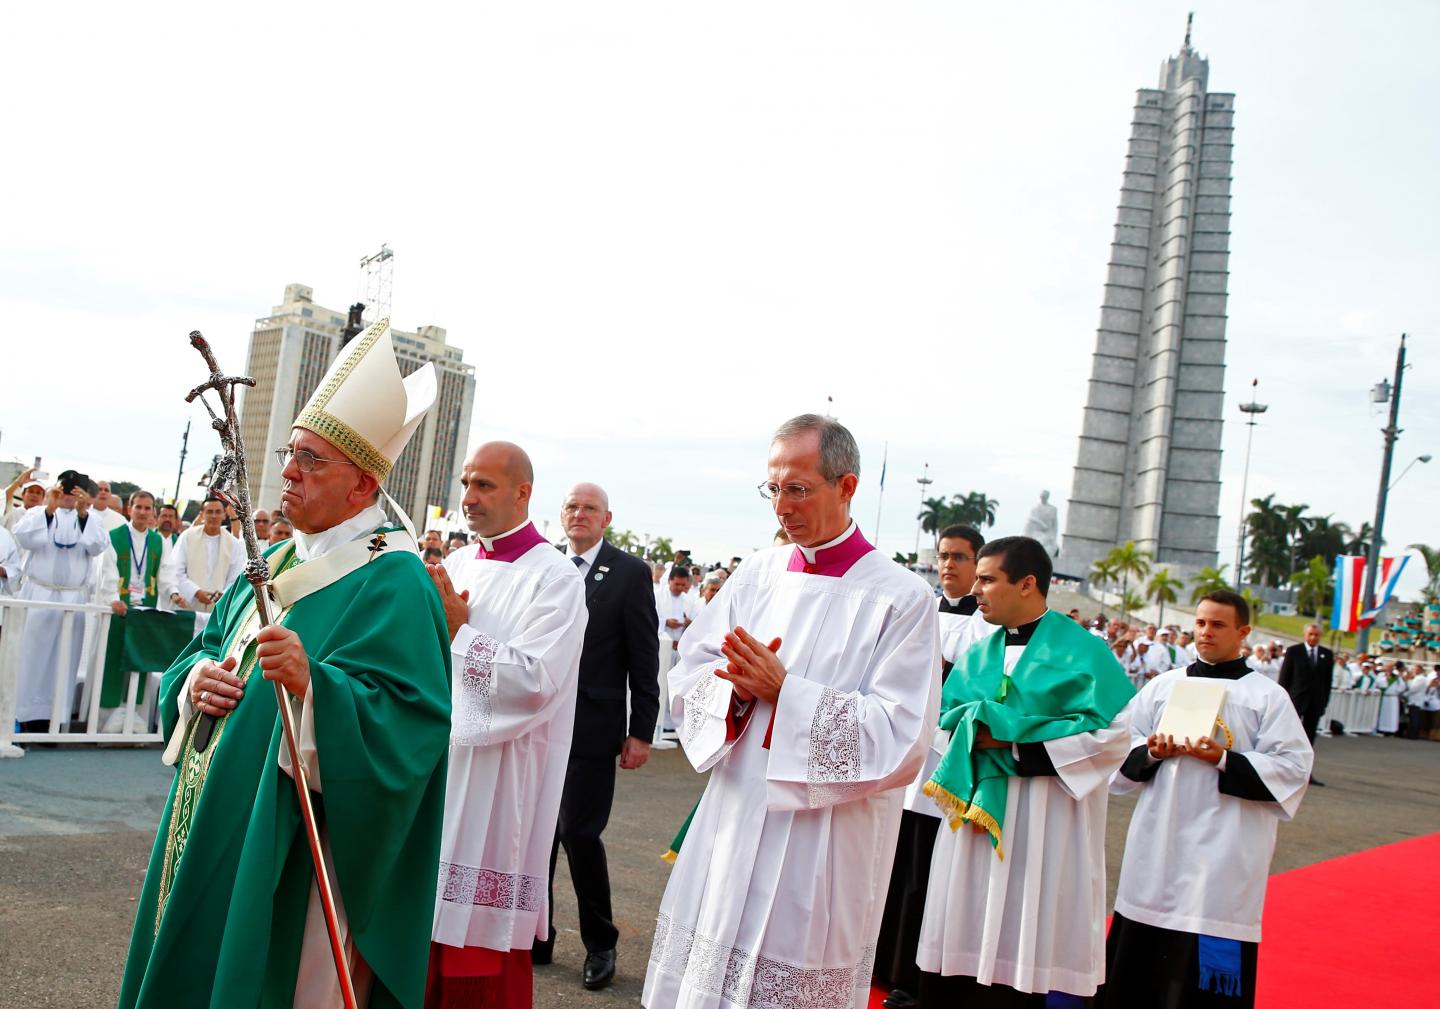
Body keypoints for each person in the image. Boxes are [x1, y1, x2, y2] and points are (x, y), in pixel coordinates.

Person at [117, 316, 452, 1009]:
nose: (290, 473)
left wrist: (315, 686)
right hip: (210, 812)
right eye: (290, 455)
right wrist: (193, 684)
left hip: (296, 850)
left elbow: (412, 727)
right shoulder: (274, 559)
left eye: (313, 460)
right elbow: (207, 650)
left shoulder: (396, 581)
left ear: (364, 486)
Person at [643, 414, 939, 1009]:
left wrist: (788, 693)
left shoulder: (901, 597)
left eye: (798, 488)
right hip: (733, 814)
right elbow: (690, 673)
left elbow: (903, 736)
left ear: (846, 486)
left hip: (822, 841)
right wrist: (735, 691)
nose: (782, 505)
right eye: (773, 488)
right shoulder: (755, 575)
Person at [915, 536, 1134, 1007]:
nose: (977, 591)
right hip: (973, 818)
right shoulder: (977, 653)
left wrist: (1016, 745)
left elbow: (1115, 735)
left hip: (1043, 817)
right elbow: (939, 723)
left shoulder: (1084, 653)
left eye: (988, 579)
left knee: (1024, 930)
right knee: (963, 935)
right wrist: (970, 734)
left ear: (1028, 584)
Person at [427, 442, 588, 1008]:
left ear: (522, 493)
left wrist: (458, 634)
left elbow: (535, 682)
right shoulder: (458, 565)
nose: (468, 497)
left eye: (485, 485)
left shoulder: (556, 579)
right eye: (466, 483)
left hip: (501, 782)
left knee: (474, 955)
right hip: (437, 769)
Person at [1099, 591, 1312, 1009]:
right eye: (1200, 623)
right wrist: (1153, 751)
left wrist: (1223, 758)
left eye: (1217, 625)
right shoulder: (1163, 686)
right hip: (1159, 843)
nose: (1205, 632)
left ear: (1243, 632)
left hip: (1225, 850)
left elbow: (1293, 768)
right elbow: (1117, 744)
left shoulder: (1267, 697)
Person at [536, 481, 660, 990]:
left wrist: (642, 732)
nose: (579, 514)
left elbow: (644, 657)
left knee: (580, 834)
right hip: (538, 722)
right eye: (572, 506)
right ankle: (536, 936)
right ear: (561, 515)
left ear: (606, 518)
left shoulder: (629, 573)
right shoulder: (544, 565)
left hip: (592, 726)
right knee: (538, 834)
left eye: (590, 508)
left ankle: (600, 944)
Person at [875, 523, 992, 1009]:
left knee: (927, 876)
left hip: (946, 764)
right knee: (891, 865)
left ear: (978, 565)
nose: (948, 565)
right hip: (900, 761)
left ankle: (914, 977)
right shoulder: (916, 608)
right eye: (943, 555)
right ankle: (879, 964)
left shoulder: (988, 628)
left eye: (960, 558)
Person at [13, 476, 109, 731]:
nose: (68, 496)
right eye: (65, 491)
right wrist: (49, 509)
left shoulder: (92, 519)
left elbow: (98, 546)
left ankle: (54, 722)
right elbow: (25, 538)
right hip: (40, 596)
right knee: (32, 658)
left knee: (64, 660)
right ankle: (25, 719)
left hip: (72, 599)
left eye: (74, 492)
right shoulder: (37, 513)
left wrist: (82, 514)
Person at [97, 491, 182, 732]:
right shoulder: (113, 537)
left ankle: (135, 721)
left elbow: (166, 573)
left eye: (148, 508)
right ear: (129, 509)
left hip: (145, 611)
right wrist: (113, 597)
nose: (143, 512)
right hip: (120, 610)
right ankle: (105, 721)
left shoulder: (158, 542)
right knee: (113, 662)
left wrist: (174, 593)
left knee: (140, 664)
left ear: (153, 512)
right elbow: (108, 571)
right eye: (139, 507)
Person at [172, 497, 244, 632]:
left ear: (224, 515)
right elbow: (176, 570)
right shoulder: (187, 536)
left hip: (216, 608)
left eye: (218, 512)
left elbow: (235, 576)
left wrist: (224, 594)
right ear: (202, 514)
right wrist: (196, 592)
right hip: (188, 605)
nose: (214, 516)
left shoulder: (233, 543)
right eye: (209, 511)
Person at [1277, 624, 1333, 784]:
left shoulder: (1326, 655)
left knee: (1309, 739)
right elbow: (1284, 678)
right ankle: (1282, 769)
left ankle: (1305, 773)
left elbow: (1327, 682)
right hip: (1296, 700)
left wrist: (1323, 703)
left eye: (1316, 635)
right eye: (1311, 634)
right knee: (1287, 736)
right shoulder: (1294, 651)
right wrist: (1282, 700)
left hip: (1315, 703)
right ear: (1305, 635)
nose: (1313, 637)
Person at [653, 566, 694, 741]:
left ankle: (671, 725)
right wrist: (665, 622)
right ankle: (656, 724)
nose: (679, 588)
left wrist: (688, 622)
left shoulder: (688, 600)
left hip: (680, 650)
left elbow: (696, 622)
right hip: (661, 649)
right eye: (676, 584)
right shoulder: (657, 595)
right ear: (669, 580)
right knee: (658, 685)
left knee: (675, 688)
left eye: (683, 585)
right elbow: (649, 616)